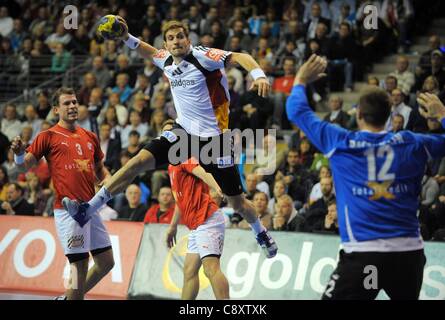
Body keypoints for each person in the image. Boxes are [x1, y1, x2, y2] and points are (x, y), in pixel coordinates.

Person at [63, 18, 277, 258]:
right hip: (182, 133)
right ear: (166, 43)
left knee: (236, 202)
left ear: (188, 39)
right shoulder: (165, 60)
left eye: (180, 36)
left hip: (215, 139)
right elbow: (149, 51)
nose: (177, 41)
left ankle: (260, 232)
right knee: (136, 162)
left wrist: (258, 75)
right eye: (171, 38)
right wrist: (126, 37)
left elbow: (240, 56)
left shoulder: (203, 56)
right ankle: (88, 209)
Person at [286, 54, 445, 300]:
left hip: (363, 255)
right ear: (390, 116)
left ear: (358, 114)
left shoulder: (341, 142)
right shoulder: (413, 142)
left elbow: (296, 111)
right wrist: (443, 114)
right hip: (409, 254)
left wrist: (300, 80)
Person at [10, 87, 114, 300]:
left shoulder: (90, 136)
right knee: (79, 266)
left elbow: (101, 171)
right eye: (67, 103)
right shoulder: (47, 136)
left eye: (75, 102)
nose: (73, 106)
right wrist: (20, 153)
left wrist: (111, 183)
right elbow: (23, 167)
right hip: (68, 212)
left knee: (106, 262)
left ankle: (69, 298)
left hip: (90, 209)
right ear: (56, 109)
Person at [165, 155, 229, 300]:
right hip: (196, 225)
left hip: (207, 218)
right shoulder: (171, 166)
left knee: (211, 269)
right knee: (189, 271)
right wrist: (173, 226)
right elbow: (179, 199)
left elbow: (203, 172)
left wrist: (218, 187)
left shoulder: (184, 157)